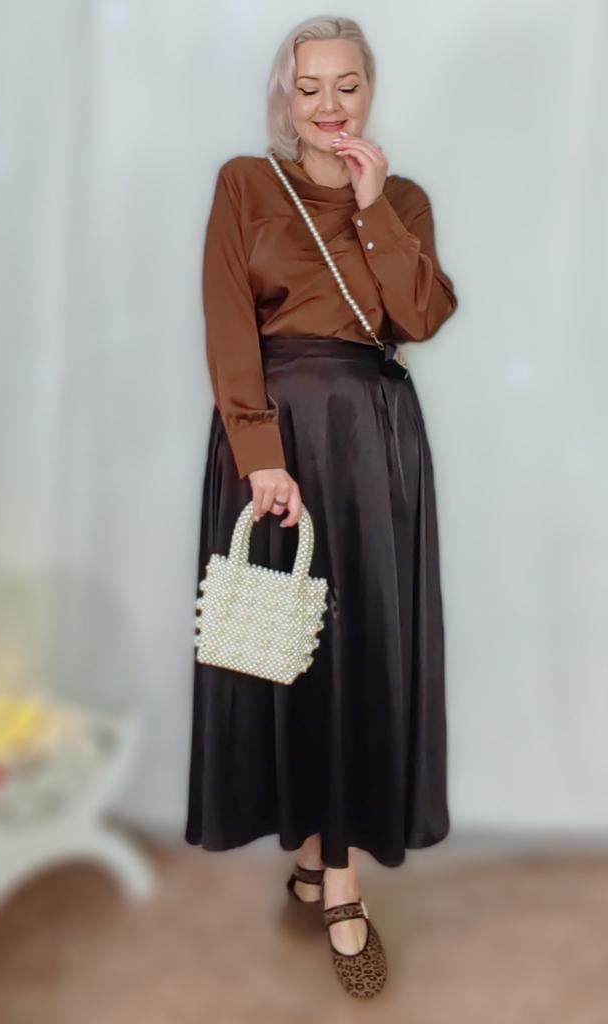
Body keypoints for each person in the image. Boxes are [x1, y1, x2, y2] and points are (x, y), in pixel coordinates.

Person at [184, 14, 458, 999]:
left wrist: (375, 209)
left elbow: (417, 317)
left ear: (369, 91)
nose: (330, 105)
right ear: (284, 95)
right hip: (276, 444)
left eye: (348, 85)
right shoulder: (245, 185)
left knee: (358, 650)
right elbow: (228, 325)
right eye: (310, 87)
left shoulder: (404, 198)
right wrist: (259, 457)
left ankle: (335, 879)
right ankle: (318, 859)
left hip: (374, 446)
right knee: (287, 646)